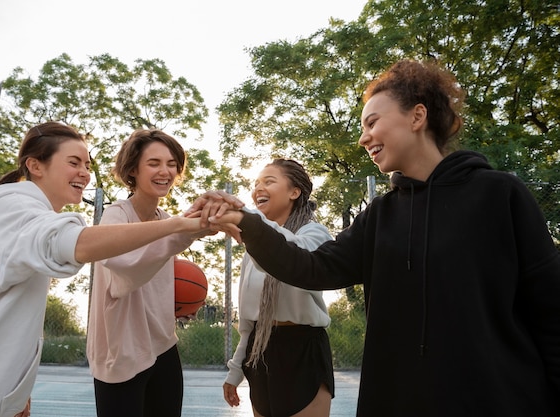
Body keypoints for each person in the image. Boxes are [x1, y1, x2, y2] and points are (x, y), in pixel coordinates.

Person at [198, 59, 560, 416]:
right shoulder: (380, 216)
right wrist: (246, 221)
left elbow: (549, 309)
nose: (363, 137)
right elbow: (312, 267)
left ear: (417, 117)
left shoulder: (499, 195)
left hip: (499, 399)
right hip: (399, 400)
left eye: (372, 122)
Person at [0, 121, 209, 417]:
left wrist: (16, 388)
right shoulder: (14, 210)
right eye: (74, 162)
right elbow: (76, 244)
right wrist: (180, 226)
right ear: (36, 166)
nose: (85, 173)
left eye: (87, 165)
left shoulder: (17, 212)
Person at [86, 129, 208, 417]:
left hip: (163, 346)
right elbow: (126, 272)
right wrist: (184, 232)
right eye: (154, 163)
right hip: (122, 352)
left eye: (171, 163)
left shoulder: (166, 220)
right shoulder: (117, 215)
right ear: (133, 170)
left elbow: (156, 276)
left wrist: (175, 302)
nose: (165, 171)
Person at [222, 158, 334, 417]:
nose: (258, 188)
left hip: (303, 350)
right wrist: (236, 369)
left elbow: (293, 256)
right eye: (256, 183)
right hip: (261, 351)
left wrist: (252, 224)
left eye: (269, 181)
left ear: (294, 192)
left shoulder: (315, 234)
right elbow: (250, 322)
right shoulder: (255, 248)